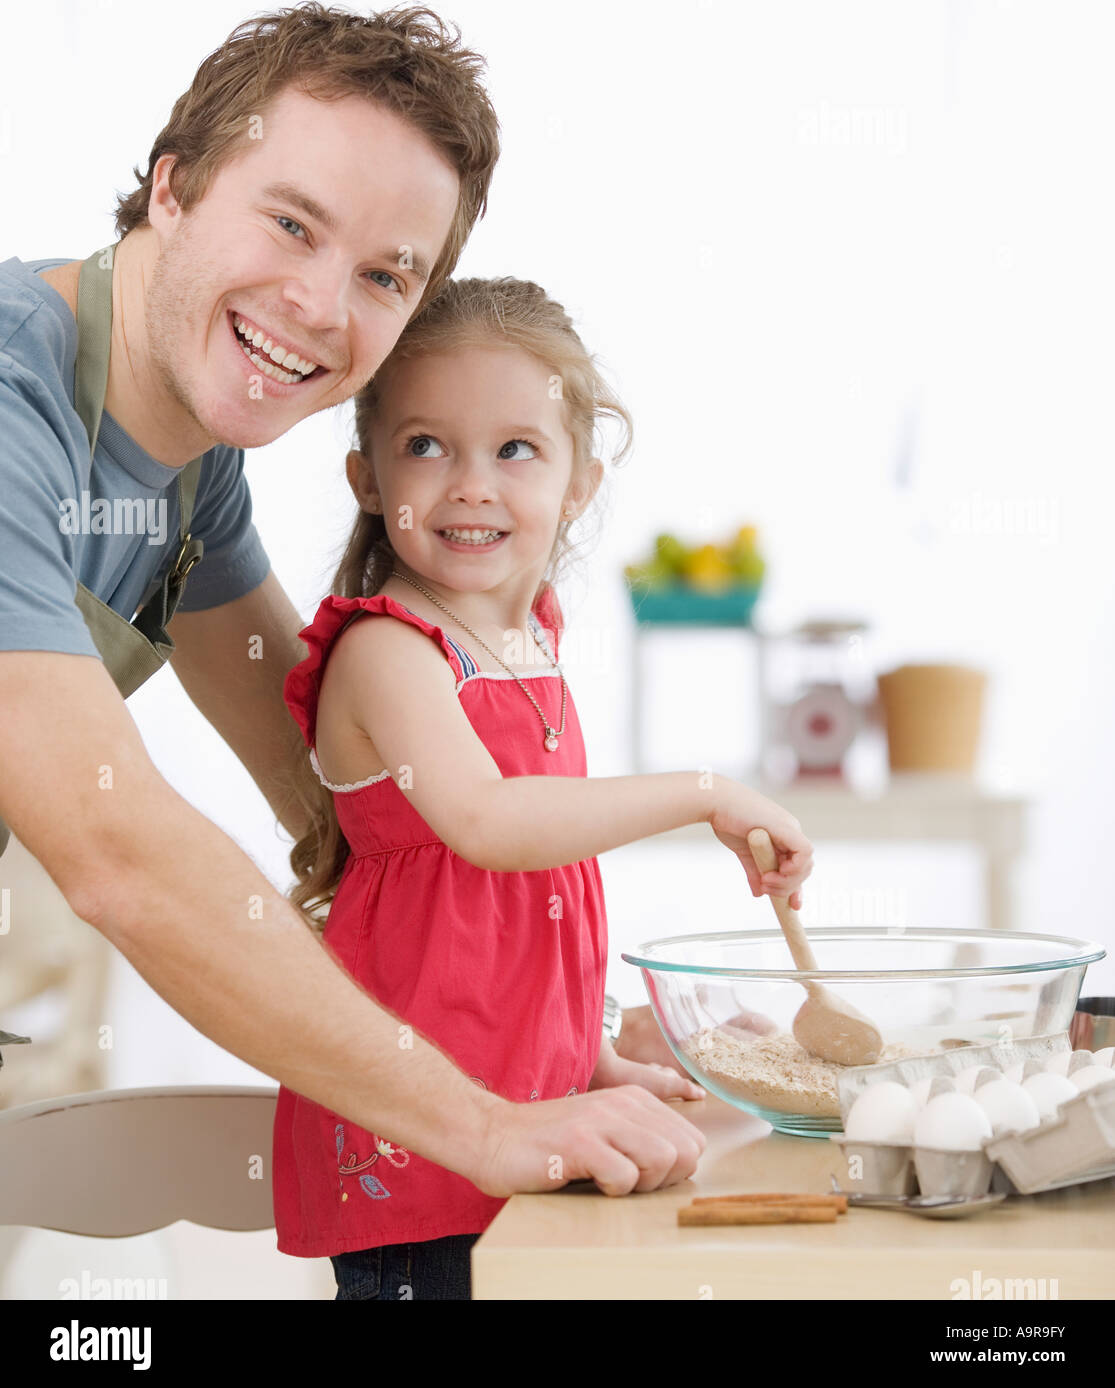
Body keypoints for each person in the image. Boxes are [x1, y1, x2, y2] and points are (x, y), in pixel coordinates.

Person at [0, 4, 719, 1218]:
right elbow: (116, 851)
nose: (324, 308)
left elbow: (344, 806)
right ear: (171, 186)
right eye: (291, 222)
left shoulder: (188, 467)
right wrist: (485, 1123)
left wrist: (563, 1031)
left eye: (385, 274)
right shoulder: (17, 400)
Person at [274, 275, 815, 1299]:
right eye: (426, 445)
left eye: (514, 449)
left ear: (577, 483)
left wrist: (586, 1056)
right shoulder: (390, 649)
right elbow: (490, 826)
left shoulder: (528, 642)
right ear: (366, 475)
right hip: (421, 1127)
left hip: (526, 1118)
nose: (470, 483)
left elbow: (518, 916)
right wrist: (702, 791)